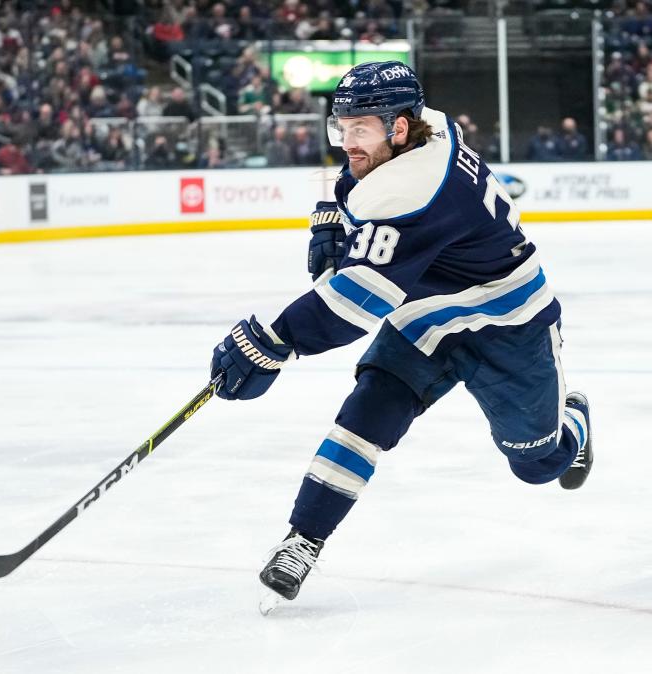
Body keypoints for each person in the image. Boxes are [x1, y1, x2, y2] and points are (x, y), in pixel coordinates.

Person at [207, 61, 593, 611]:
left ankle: (573, 416)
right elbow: (354, 184)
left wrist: (272, 341)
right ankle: (304, 539)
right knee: (365, 417)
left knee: (538, 465)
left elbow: (354, 304)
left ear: (398, 128)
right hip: (427, 317)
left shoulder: (416, 189)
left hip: (509, 324)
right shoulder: (425, 127)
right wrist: (335, 216)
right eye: (340, 127)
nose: (346, 141)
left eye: (359, 128)